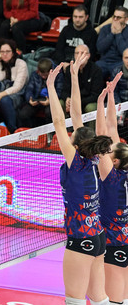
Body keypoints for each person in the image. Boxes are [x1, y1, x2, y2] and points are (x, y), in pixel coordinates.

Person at [47, 54, 111, 305]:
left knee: (74, 301)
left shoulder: (76, 165)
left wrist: (51, 87)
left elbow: (59, 121)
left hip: (81, 238)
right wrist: (73, 77)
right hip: (98, 236)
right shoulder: (96, 159)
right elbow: (75, 117)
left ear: (75, 145)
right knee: (99, 300)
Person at [96, 73, 128, 305]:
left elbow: (102, 136)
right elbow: (111, 133)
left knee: (112, 296)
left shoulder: (112, 177)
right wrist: (111, 97)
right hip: (126, 234)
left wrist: (100, 102)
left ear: (114, 160)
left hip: (113, 238)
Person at [60, 44, 104, 119]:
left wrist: (77, 102)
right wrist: (67, 98)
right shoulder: (69, 69)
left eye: (83, 53)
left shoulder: (96, 70)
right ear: (74, 55)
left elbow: (96, 95)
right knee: (60, 103)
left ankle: (92, 131)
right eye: (77, 53)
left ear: (89, 55)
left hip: (87, 101)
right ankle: (62, 129)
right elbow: (64, 90)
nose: (80, 56)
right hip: (72, 100)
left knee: (91, 108)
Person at [18, 57, 63, 128]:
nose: (43, 77)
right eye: (41, 74)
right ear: (38, 71)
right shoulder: (34, 74)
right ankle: (30, 132)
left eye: (45, 75)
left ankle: (50, 132)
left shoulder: (58, 75)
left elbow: (59, 91)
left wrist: (50, 101)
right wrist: (30, 99)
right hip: (36, 99)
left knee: (50, 112)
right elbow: (29, 89)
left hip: (51, 100)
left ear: (51, 71)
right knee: (23, 113)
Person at [95, 6, 128, 80]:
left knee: (118, 71)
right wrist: (112, 34)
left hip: (120, 62)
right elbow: (100, 48)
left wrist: (119, 34)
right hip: (104, 61)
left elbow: (124, 51)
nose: (115, 19)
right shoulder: (105, 29)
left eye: (118, 17)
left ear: (126, 19)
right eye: (114, 17)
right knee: (96, 68)